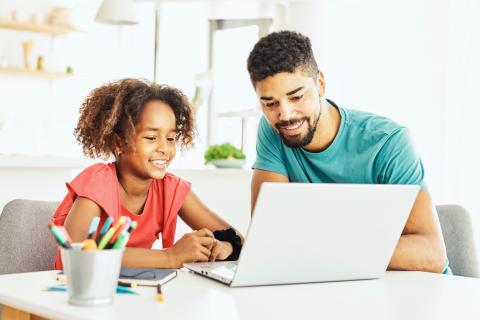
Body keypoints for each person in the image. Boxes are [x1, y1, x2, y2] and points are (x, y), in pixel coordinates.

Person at [247, 30, 449, 273]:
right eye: (270, 104)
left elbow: (431, 253)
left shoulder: (388, 142)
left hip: (413, 290)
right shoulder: (273, 130)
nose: (286, 115)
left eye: (297, 97)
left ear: (320, 83)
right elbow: (269, 237)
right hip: (337, 284)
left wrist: (322, 249)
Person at [51, 78, 243, 269]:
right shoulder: (98, 182)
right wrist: (169, 257)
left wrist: (225, 246)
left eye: (171, 138)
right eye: (151, 137)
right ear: (119, 143)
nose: (164, 148)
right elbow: (76, 255)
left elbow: (237, 240)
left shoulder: (171, 189)